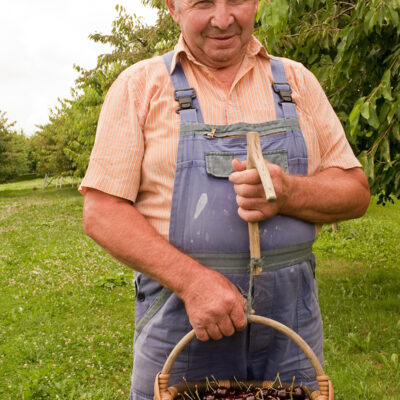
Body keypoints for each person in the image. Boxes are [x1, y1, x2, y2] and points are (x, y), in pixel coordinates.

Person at [80, 0, 370, 399]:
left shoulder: (296, 82)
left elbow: (355, 193)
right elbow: (102, 212)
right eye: (202, 3)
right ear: (173, 8)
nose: (223, 18)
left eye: (236, 0)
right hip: (179, 318)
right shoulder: (140, 87)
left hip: (291, 325)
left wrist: (289, 193)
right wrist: (193, 282)